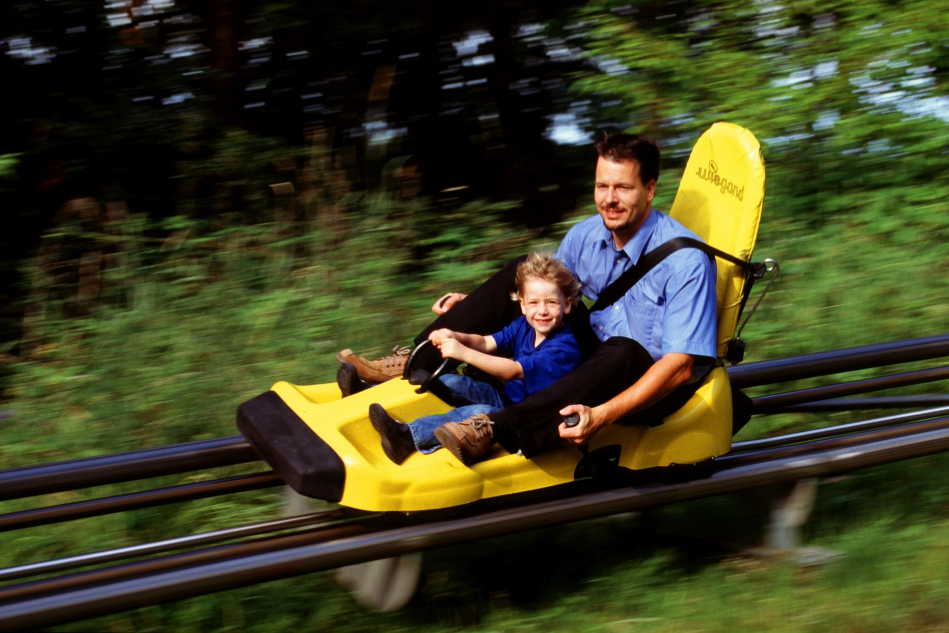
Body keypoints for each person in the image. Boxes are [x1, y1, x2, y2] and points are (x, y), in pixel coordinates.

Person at [337, 131, 717, 465]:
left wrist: (601, 415)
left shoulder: (686, 262)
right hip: (590, 355)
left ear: (649, 190)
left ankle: (491, 429)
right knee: (528, 273)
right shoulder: (587, 235)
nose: (610, 199)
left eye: (623, 188)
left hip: (644, 382)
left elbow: (681, 367)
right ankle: (417, 358)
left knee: (623, 350)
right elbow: (543, 291)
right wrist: (475, 307)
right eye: (602, 187)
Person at [347, 252, 583, 465]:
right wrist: (455, 336)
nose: (541, 311)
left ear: (567, 305)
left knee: (480, 411)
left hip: (526, 419)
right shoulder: (524, 325)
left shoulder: (564, 349)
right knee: (450, 381)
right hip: (510, 399)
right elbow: (487, 342)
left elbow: (512, 370)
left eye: (551, 303)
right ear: (522, 305)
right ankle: (375, 389)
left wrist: (462, 353)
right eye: (534, 303)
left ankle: (407, 436)